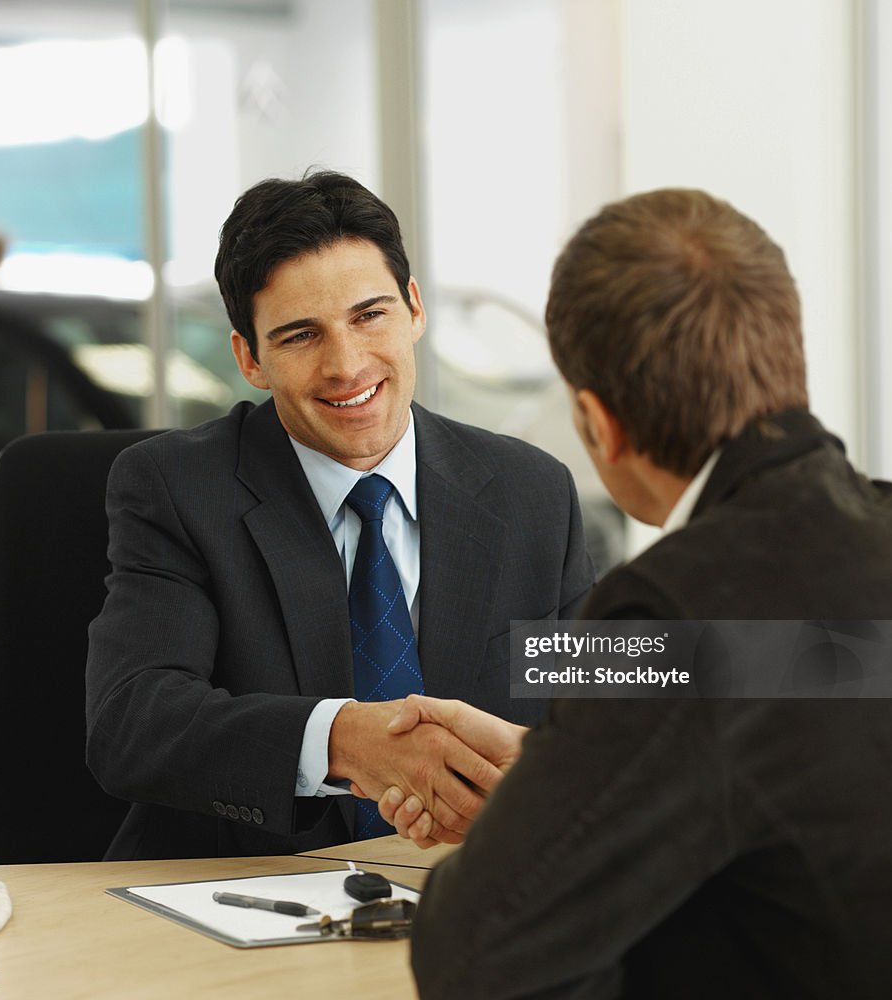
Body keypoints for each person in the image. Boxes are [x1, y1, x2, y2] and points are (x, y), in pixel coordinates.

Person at [404, 188, 892, 998]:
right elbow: (800, 717)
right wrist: (566, 773)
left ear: (596, 424)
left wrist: (545, 806)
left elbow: (472, 954)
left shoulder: (670, 604)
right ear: (787, 352)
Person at [84, 170, 595, 859]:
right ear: (249, 358)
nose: (347, 365)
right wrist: (345, 741)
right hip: (236, 904)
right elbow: (133, 722)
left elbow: (604, 697)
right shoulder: (174, 489)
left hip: (466, 903)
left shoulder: (532, 491)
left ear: (414, 308)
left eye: (369, 315)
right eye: (300, 335)